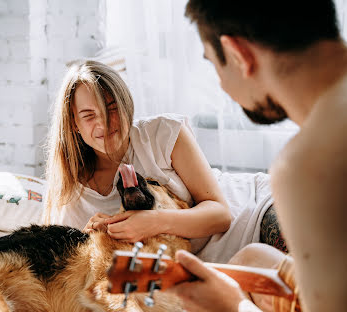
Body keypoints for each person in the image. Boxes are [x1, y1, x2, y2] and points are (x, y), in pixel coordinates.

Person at [170, 0, 347, 311]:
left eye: (213, 64)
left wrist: (234, 304)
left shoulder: (306, 166)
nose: (223, 87)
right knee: (254, 258)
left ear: (239, 54)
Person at [43, 60, 232, 247]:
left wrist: (153, 221)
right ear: (74, 123)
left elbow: (221, 214)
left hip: (244, 226)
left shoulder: (164, 134)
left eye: (112, 108)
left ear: (126, 105)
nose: (104, 123)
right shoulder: (69, 190)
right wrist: (95, 238)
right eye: (89, 115)